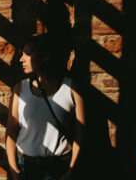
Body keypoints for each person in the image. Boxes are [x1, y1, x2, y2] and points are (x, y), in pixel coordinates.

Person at [5, 34, 86, 180]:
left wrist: (71, 171)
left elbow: (81, 133)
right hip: (25, 165)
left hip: (58, 167)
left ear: (45, 56)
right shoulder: (20, 88)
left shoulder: (71, 88)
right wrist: (14, 171)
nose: (21, 59)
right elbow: (11, 131)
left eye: (27, 54)